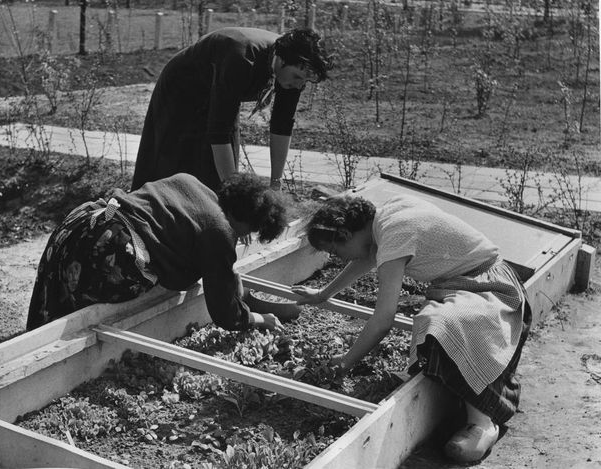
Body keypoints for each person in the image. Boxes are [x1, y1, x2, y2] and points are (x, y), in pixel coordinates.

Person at [291, 194, 531, 463]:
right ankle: (454, 392)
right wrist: (325, 293)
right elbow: (367, 256)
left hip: (491, 289)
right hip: (468, 283)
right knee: (434, 322)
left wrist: (346, 362)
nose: (337, 258)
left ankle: (483, 421)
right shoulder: (387, 214)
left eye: (336, 252)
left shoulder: (394, 235)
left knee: (440, 325)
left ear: (346, 233)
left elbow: (383, 319)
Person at [27, 173, 297, 332]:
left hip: (83, 222)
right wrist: (260, 319)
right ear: (246, 220)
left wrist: (228, 278)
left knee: (57, 303)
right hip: (108, 249)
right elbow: (224, 315)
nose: (242, 237)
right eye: (248, 231)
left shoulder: (191, 183)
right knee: (85, 318)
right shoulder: (221, 231)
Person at [130, 27, 333, 193]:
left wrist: (275, 183)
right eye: (298, 77)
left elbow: (282, 124)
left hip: (220, 91)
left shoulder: (294, 72)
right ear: (280, 60)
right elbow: (218, 132)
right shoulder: (242, 59)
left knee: (220, 176)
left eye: (305, 82)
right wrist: (236, 198)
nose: (299, 86)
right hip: (182, 91)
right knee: (171, 170)